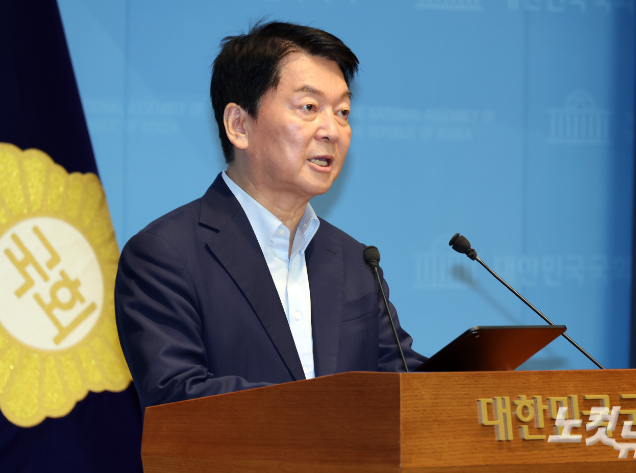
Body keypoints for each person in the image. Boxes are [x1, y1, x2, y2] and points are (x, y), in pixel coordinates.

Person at [114, 21, 425, 412]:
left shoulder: (356, 261)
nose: (332, 130)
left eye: (343, 111)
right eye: (309, 107)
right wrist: (331, 412)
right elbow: (179, 397)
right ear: (239, 126)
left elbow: (405, 382)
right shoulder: (165, 255)